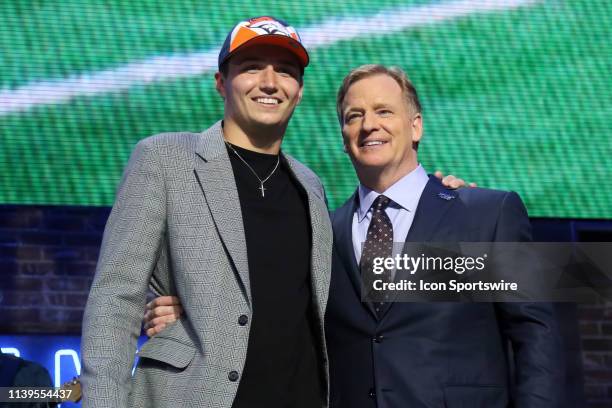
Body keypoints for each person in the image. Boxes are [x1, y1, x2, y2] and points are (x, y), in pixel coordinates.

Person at [147, 65, 564, 407]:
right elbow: (277, 316)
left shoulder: (486, 213)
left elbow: (537, 337)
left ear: (415, 126)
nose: (369, 125)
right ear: (344, 140)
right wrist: (191, 313)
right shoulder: (320, 231)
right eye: (354, 116)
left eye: (384, 111)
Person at [81, 16, 332, 408]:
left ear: (297, 91)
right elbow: (116, 297)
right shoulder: (163, 158)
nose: (270, 82)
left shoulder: (311, 185)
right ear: (221, 83)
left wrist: (451, 199)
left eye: (285, 71)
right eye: (252, 68)